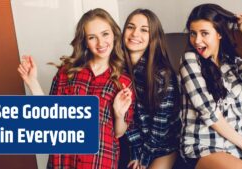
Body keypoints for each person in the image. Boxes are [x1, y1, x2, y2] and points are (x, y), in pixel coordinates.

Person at [18, 8, 135, 169]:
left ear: (114, 34)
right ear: (85, 41)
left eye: (105, 34)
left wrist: (119, 114)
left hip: (99, 163)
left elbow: (118, 133)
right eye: (92, 37)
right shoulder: (67, 72)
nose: (101, 43)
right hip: (62, 161)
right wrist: (32, 83)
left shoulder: (123, 80)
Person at [179, 3, 242, 169]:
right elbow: (210, 113)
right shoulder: (190, 60)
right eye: (193, 33)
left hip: (235, 149)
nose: (197, 40)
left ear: (219, 33)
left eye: (204, 33)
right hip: (205, 147)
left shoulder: (230, 61)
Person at [120, 9, 180, 169]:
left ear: (153, 37)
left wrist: (143, 160)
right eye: (130, 27)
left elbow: (161, 127)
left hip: (165, 144)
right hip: (137, 143)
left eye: (144, 30)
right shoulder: (119, 71)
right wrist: (135, 153)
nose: (135, 33)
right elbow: (129, 120)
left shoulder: (161, 74)